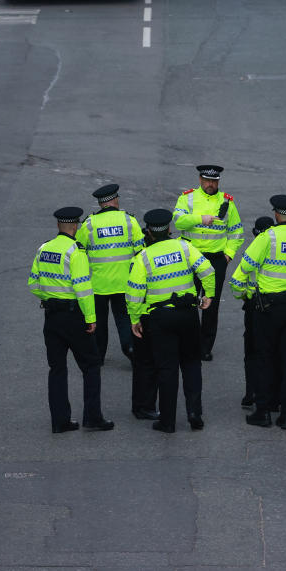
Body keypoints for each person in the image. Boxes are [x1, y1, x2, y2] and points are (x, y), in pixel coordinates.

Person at [230, 195, 286, 430]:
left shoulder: (266, 238)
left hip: (268, 309)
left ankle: (263, 411)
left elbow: (240, 274)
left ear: (276, 214)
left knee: (264, 358)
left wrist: (242, 294)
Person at [127, 209, 215, 433]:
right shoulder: (184, 247)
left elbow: (135, 292)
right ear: (169, 229)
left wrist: (135, 318)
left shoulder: (143, 257)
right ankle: (195, 413)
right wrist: (208, 295)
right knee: (192, 364)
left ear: (149, 232)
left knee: (167, 369)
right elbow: (207, 270)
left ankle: (167, 421)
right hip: (187, 314)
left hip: (159, 318)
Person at [28, 207, 114, 434]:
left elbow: (33, 284)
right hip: (74, 316)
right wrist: (91, 318)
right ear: (75, 226)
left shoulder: (44, 249)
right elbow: (84, 289)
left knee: (57, 369)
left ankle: (60, 421)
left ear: (58, 226)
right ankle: (93, 417)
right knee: (91, 365)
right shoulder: (76, 252)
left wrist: (48, 299)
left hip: (52, 317)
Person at [172, 165, 244, 361]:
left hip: (215, 260)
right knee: (187, 302)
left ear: (218, 182)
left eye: (214, 181)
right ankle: (187, 344)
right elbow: (178, 222)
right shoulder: (187, 198)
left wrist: (228, 256)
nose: (211, 184)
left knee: (211, 306)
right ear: (200, 180)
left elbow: (236, 232)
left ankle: (205, 347)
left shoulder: (227, 202)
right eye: (207, 181)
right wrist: (199, 219)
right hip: (191, 258)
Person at [75, 184, 145, 365]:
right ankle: (130, 348)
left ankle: (98, 356)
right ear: (115, 200)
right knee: (124, 319)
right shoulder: (129, 221)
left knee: (99, 322)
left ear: (101, 204)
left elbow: (79, 251)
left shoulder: (89, 224)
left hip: (99, 285)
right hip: (125, 284)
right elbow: (141, 253)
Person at [239, 216, 275, 408]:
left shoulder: (253, 250)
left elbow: (238, 280)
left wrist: (243, 296)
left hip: (255, 306)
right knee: (274, 351)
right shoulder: (278, 249)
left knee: (252, 352)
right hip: (278, 306)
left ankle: (251, 393)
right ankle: (272, 396)